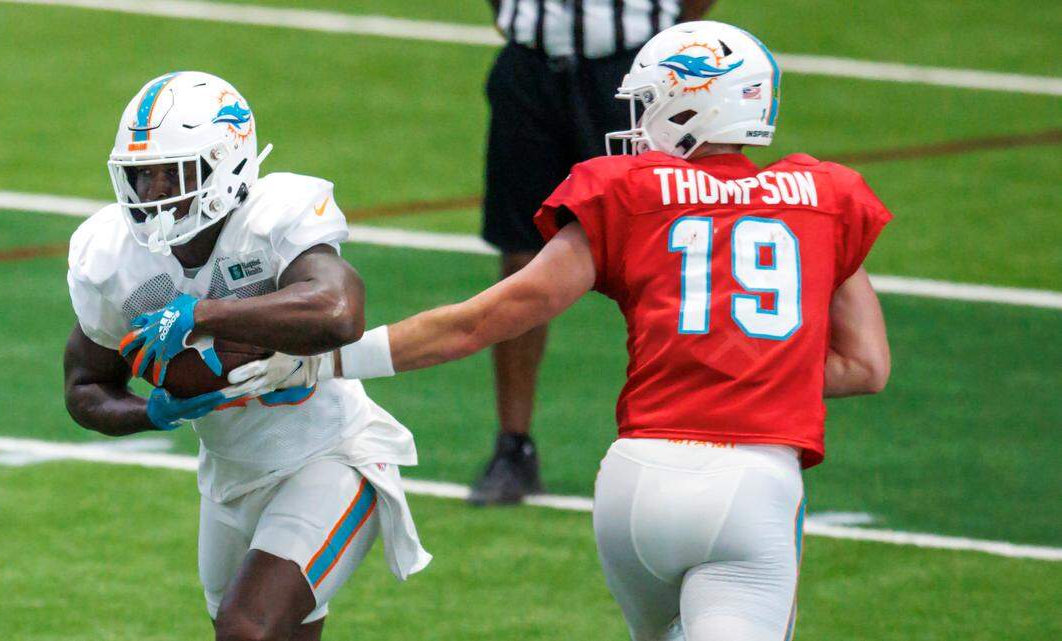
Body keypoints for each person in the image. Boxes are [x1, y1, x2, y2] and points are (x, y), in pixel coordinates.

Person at [237, 21, 892, 640]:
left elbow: (481, 320)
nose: (634, 123)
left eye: (650, 102)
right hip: (753, 485)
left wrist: (327, 361)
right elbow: (867, 366)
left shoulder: (631, 192)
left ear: (693, 109)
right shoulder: (825, 198)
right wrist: (752, 367)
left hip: (639, 486)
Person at [62, 71, 430, 641]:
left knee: (246, 628)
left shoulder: (271, 214)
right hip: (229, 474)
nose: (152, 191)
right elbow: (86, 386)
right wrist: (155, 412)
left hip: (330, 453)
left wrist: (202, 314)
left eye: (170, 172)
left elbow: (339, 311)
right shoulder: (113, 255)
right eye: (140, 174)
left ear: (224, 163)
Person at [477, 0, 719, 504]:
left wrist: (673, 43)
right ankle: (513, 446)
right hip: (530, 65)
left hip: (634, 73)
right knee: (522, 256)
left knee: (668, 256)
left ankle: (690, 435)